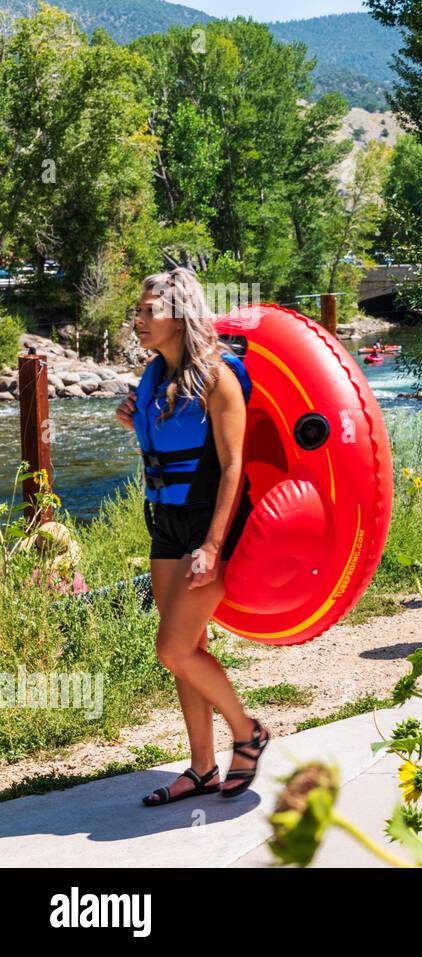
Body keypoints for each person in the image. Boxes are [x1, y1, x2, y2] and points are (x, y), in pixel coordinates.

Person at [114, 267, 271, 805]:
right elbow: (166, 448)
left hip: (210, 523)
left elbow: (232, 467)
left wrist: (211, 544)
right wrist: (131, 421)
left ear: (179, 316)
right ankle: (202, 767)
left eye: (148, 310)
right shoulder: (155, 376)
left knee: (171, 648)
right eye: (138, 310)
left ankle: (247, 732)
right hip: (165, 524)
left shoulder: (220, 376)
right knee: (189, 649)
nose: (138, 318)